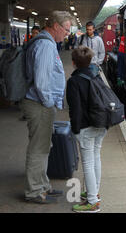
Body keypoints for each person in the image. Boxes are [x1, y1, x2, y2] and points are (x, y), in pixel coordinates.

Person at [21, 11, 72, 204]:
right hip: (40, 104)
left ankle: (43, 186)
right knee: (38, 149)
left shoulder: (48, 43)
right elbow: (42, 82)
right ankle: (34, 191)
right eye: (66, 30)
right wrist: (50, 102)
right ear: (56, 26)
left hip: (41, 104)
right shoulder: (45, 45)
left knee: (44, 147)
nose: (67, 34)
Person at [66, 46, 106, 213]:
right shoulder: (96, 75)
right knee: (96, 156)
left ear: (73, 63)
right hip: (101, 124)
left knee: (88, 163)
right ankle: (94, 193)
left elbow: (75, 109)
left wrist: (75, 130)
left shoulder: (74, 81)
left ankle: (92, 202)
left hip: (86, 127)